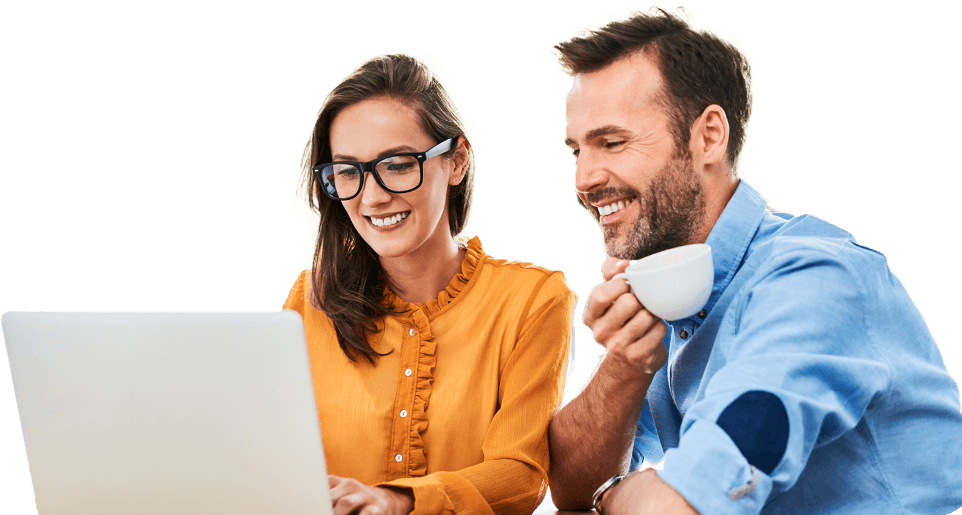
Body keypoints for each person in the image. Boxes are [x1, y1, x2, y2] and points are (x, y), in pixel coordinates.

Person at [546, 6, 962, 515]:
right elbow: (567, 492)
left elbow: (672, 508)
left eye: (612, 143)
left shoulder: (815, 281)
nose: (584, 179)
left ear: (709, 136)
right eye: (576, 151)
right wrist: (627, 364)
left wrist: (610, 496)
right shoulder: (668, 293)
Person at [282, 51, 576, 515]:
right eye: (347, 172)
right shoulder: (309, 300)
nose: (373, 197)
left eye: (397, 164)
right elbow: (276, 459)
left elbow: (520, 476)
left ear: (456, 161)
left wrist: (398, 499)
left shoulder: (533, 300)